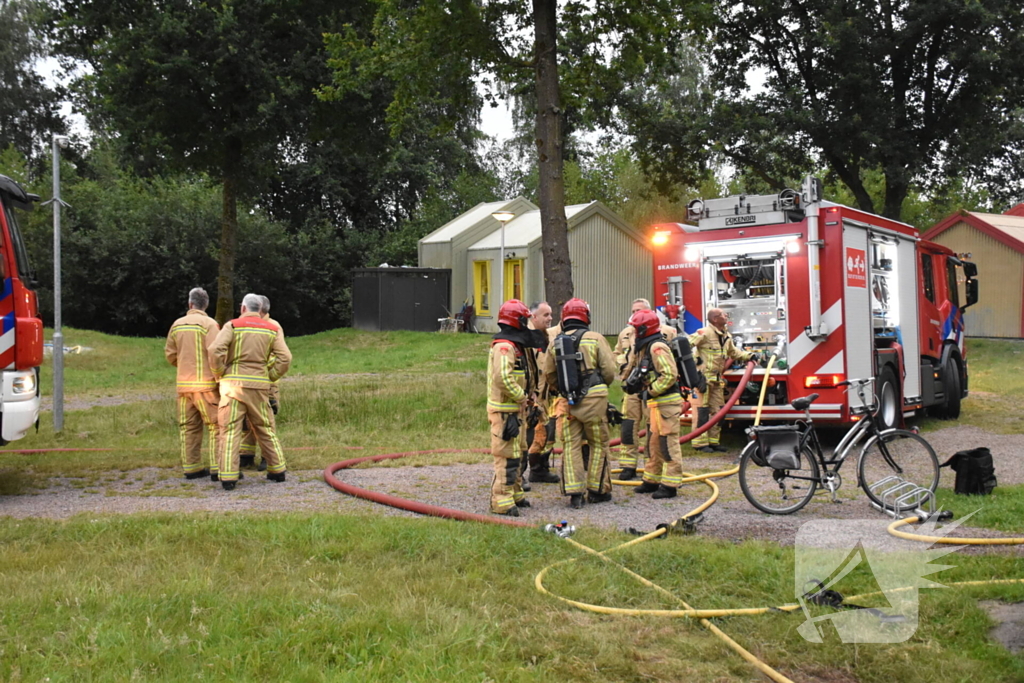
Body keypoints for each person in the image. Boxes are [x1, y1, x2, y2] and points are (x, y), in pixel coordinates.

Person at [209, 293, 292, 490]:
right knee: (265, 428)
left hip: (232, 387)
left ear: (243, 308)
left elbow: (215, 350)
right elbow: (285, 358)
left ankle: (228, 478)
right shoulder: (272, 328)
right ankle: (278, 470)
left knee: (230, 430)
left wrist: (219, 373)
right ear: (260, 308)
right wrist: (270, 375)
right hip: (259, 388)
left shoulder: (233, 325)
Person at [540, 298, 617, 509]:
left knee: (570, 445)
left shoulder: (556, 342)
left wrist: (563, 390)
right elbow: (609, 371)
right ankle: (597, 490)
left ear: (564, 318)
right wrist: (600, 386)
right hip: (595, 400)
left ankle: (574, 493)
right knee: (598, 444)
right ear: (586, 317)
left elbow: (548, 373)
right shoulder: (596, 339)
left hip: (567, 402)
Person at [486, 299, 543, 516]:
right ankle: (501, 500)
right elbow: (503, 378)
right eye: (524, 320)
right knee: (506, 456)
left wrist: (529, 398)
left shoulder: (517, 346)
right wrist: (521, 397)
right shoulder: (504, 346)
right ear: (516, 321)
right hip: (504, 410)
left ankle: (515, 493)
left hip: (516, 410)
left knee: (519, 453)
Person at [613, 298, 678, 480]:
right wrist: (621, 365)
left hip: (652, 392)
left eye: (639, 311)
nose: (635, 314)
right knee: (628, 426)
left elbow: (670, 365)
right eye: (633, 311)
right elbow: (618, 353)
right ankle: (628, 465)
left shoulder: (664, 334)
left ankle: (653, 471)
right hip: (633, 389)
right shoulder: (626, 333)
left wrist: (650, 391)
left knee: (654, 431)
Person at [625, 309, 684, 498]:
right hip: (656, 404)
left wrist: (650, 391)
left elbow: (669, 375)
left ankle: (670, 485)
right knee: (653, 444)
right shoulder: (645, 346)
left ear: (644, 329)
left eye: (635, 329)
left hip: (666, 403)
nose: (633, 332)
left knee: (668, 444)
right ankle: (651, 480)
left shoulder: (657, 347)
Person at [164, 287, 221, 480]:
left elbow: (170, 354)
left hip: (184, 387)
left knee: (189, 428)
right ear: (206, 305)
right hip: (206, 387)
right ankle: (217, 468)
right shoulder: (210, 324)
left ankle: (192, 468)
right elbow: (216, 352)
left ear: (190, 304)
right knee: (216, 426)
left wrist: (184, 366)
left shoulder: (177, 324)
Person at [688, 307, 757, 453]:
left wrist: (749, 356)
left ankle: (713, 442)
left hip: (717, 380)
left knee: (719, 412)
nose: (726, 316)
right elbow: (685, 347)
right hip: (703, 380)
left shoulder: (725, 335)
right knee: (702, 411)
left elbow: (733, 352)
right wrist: (694, 371)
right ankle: (700, 443)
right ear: (715, 319)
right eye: (722, 315)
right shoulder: (704, 333)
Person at [239, 295, 282, 471]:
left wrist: (266, 374)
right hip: (250, 380)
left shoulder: (272, 327)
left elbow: (278, 356)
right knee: (246, 419)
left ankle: (267, 457)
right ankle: (246, 455)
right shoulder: (250, 325)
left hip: (267, 382)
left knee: (266, 420)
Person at [523, 301, 560, 485]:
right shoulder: (527, 338)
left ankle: (539, 470)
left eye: (551, 314)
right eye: (546, 315)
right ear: (533, 316)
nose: (550, 318)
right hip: (531, 397)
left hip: (544, 396)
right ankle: (517, 476)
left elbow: (558, 330)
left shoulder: (543, 334)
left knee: (545, 432)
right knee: (527, 435)